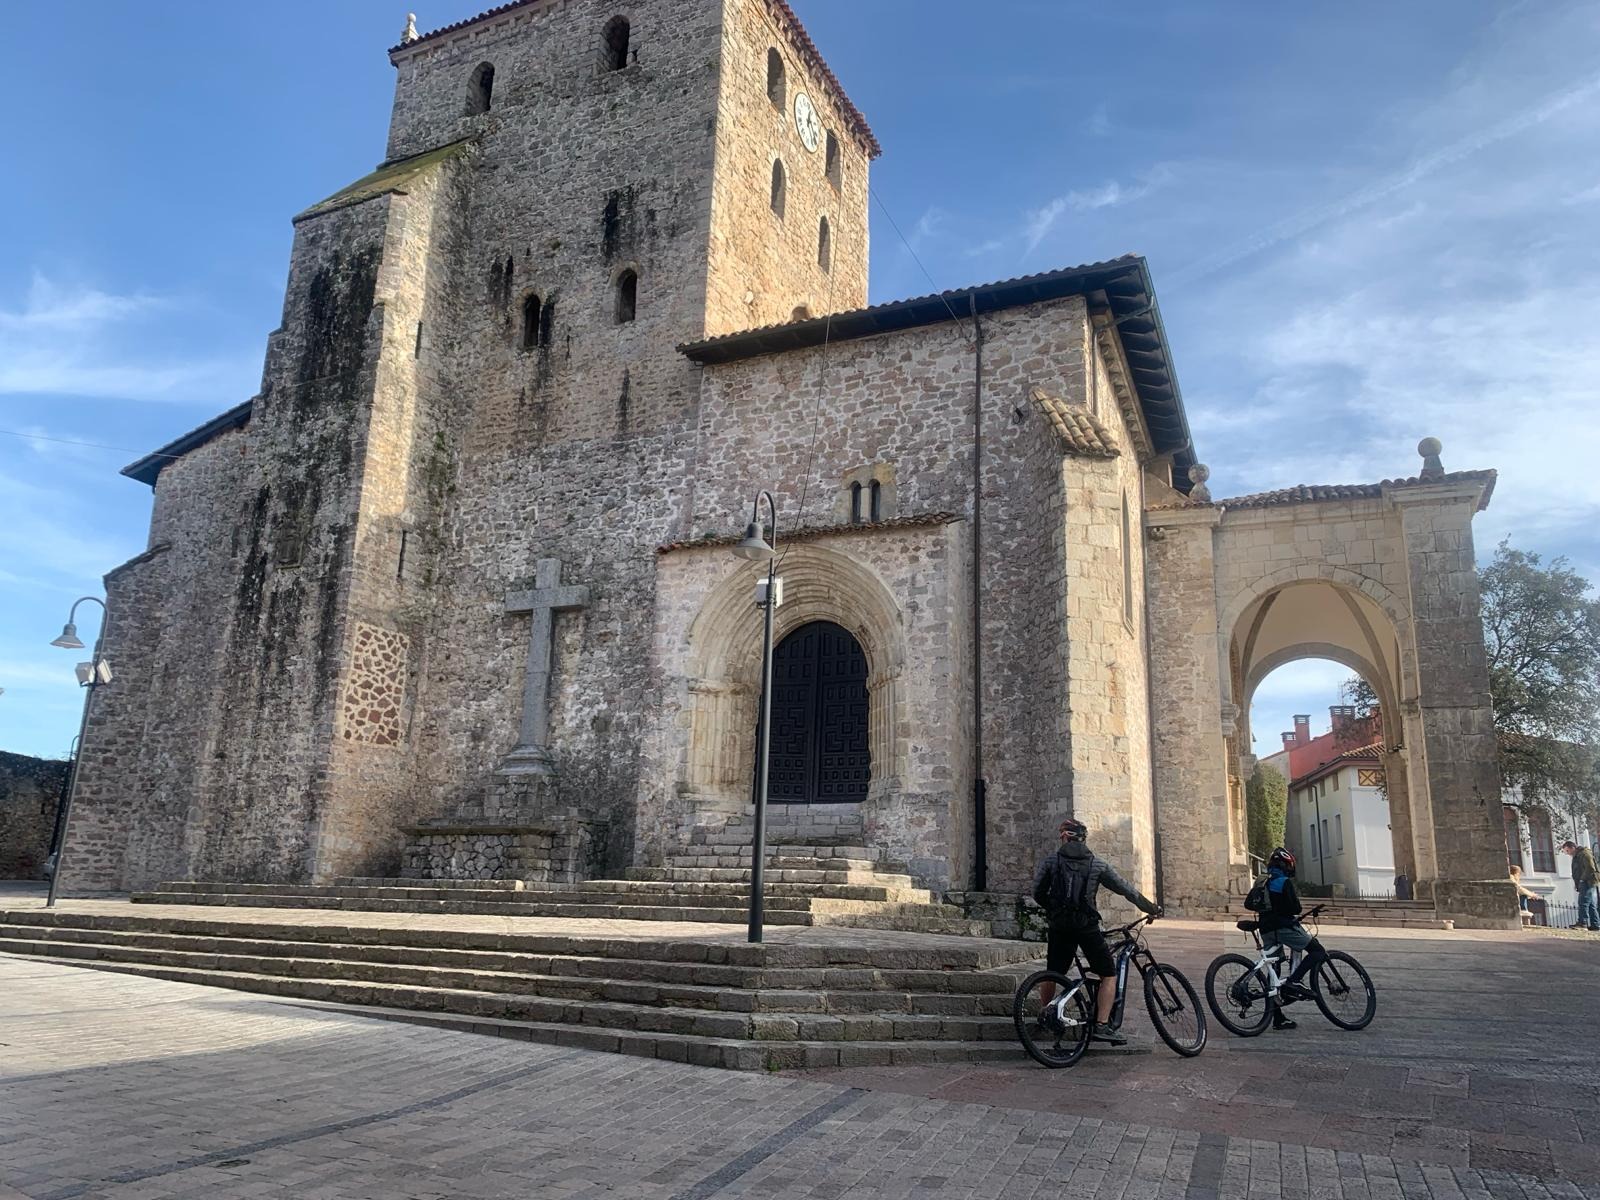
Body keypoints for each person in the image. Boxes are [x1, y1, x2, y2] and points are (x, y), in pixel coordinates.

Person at [1031, 817, 1161, 1046]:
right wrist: (1150, 908)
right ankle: (1102, 1025)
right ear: (1084, 838)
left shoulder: (1051, 861)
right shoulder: (1097, 864)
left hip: (1060, 925)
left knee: (1053, 972)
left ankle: (1045, 1014)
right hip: (1086, 926)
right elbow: (1126, 889)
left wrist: (1054, 910)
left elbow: (1038, 892)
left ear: (1063, 837)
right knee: (1108, 974)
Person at [1256, 846, 1329, 1031]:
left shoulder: (1262, 880)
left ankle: (1278, 1018)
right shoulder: (1283, 882)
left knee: (1274, 971)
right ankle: (1295, 980)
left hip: (1265, 928)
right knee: (1317, 951)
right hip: (1283, 927)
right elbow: (1295, 909)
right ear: (1287, 865)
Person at [1561, 840, 1599, 931]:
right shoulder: (1577, 855)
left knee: (1583, 902)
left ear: (1572, 848)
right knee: (1591, 904)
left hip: (1588, 881)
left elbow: (1590, 868)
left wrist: (1582, 880)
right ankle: (1595, 924)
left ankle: (1583, 923)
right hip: (1585, 881)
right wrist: (1577, 882)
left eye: (1567, 851)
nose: (1567, 853)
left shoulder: (1584, 854)